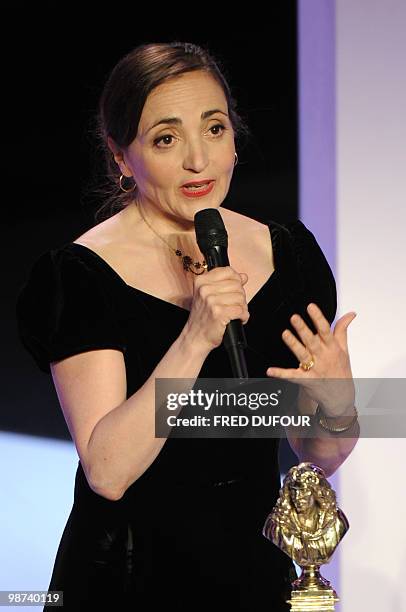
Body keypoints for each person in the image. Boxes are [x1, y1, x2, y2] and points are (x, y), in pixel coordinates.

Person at [15, 42, 359, 611]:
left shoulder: (288, 253)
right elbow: (107, 471)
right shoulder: (80, 275)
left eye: (215, 129)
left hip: (251, 570)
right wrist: (196, 338)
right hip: (125, 575)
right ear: (122, 157)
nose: (198, 161)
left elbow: (315, 452)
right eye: (166, 139)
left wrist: (338, 404)